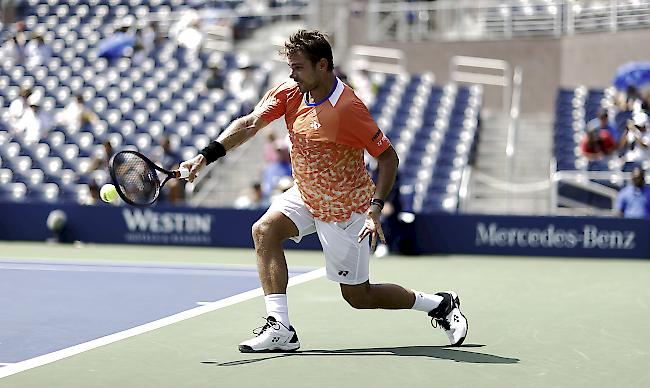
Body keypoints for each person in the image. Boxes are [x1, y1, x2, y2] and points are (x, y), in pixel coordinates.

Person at [180, 30, 467, 353]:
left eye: (298, 67)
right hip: (305, 193)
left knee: (359, 297)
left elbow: (388, 158)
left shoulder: (348, 109)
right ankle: (280, 328)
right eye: (290, 67)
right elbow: (249, 124)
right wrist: (204, 156)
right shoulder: (289, 92)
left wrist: (375, 207)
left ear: (323, 66)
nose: (292, 74)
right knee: (264, 231)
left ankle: (438, 304)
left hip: (346, 208)